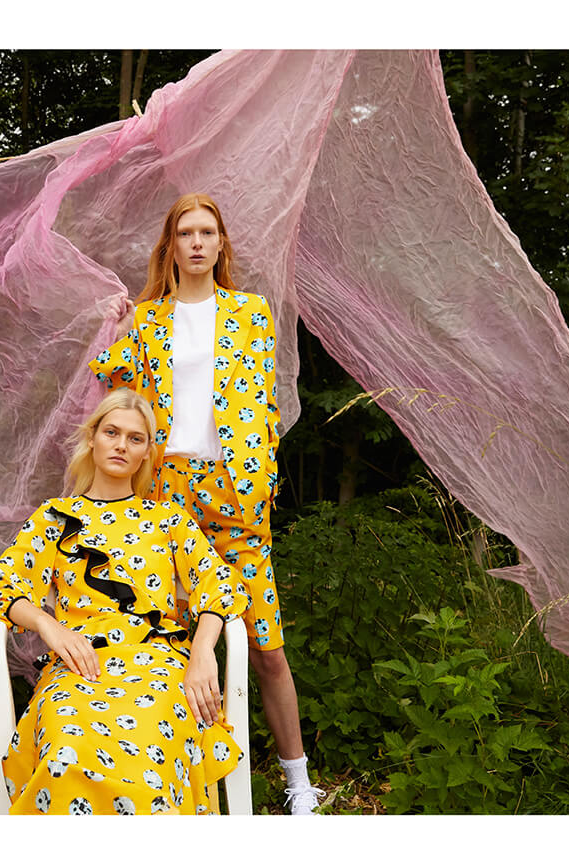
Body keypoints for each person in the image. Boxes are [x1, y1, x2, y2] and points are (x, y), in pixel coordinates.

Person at [88, 193, 325, 814]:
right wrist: (113, 329)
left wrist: (264, 472)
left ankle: (299, 786)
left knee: (266, 645)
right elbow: (118, 395)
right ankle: (176, 785)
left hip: (236, 493)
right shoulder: (145, 320)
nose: (196, 242)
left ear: (221, 245)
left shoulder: (250, 313)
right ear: (172, 245)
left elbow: (264, 404)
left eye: (207, 232)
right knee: (166, 641)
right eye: (185, 232)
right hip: (168, 492)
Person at [0, 387, 249, 815]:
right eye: (112, 432)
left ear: (146, 454)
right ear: (92, 438)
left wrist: (202, 652)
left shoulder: (167, 519)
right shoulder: (55, 518)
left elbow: (221, 585)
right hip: (80, 670)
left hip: (156, 665)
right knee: (66, 747)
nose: (121, 445)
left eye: (135, 438)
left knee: (151, 747)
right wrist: (49, 625)